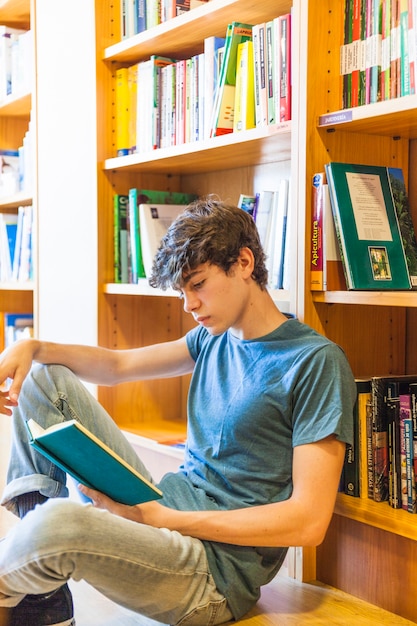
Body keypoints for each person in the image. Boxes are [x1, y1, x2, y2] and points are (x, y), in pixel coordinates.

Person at [0, 197, 357, 626]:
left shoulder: (314, 362)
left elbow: (308, 522)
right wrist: (32, 346)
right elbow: (117, 366)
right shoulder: (213, 338)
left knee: (57, 524)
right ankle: (42, 600)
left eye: (198, 284)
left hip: (212, 571)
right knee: (44, 379)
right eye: (182, 291)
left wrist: (166, 519)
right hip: (163, 510)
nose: (188, 304)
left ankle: (26, 585)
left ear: (244, 262)